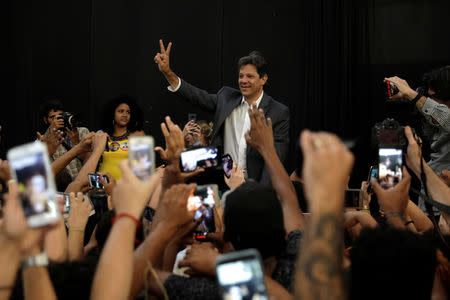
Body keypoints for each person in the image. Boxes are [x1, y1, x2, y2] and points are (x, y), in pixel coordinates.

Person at [155, 40, 290, 183]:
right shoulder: (227, 98)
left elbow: (276, 161)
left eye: (250, 76)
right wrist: (168, 73)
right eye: (241, 76)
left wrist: (256, 193)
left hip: (254, 187)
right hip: (222, 180)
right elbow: (197, 96)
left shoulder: (278, 112)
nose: (243, 80)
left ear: (263, 79)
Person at [385, 66, 450, 213]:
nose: (428, 101)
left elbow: (445, 118)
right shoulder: (436, 124)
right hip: (430, 207)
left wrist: (411, 94)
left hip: (444, 210)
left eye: (433, 97)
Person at [38, 97, 90, 180]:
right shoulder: (41, 140)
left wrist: (77, 142)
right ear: (45, 120)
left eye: (60, 117)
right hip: (62, 189)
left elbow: (91, 161)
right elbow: (42, 173)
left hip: (83, 183)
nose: (57, 121)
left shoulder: (82, 132)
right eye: (53, 118)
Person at [98, 96, 145, 180]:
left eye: (128, 112)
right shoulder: (102, 135)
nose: (125, 115)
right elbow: (88, 160)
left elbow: (143, 168)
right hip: (103, 187)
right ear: (112, 113)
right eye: (121, 111)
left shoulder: (137, 135)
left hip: (127, 188)